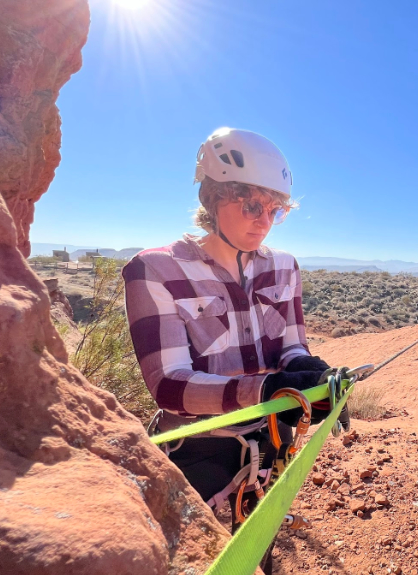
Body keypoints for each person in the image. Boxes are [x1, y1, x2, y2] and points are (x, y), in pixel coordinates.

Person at [122, 128, 334, 573]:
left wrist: (309, 373)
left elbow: (291, 345)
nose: (264, 220)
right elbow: (169, 385)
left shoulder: (284, 267)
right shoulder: (156, 269)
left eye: (274, 210)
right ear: (212, 197)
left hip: (271, 443)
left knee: (258, 550)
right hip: (197, 451)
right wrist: (268, 389)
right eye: (252, 205)